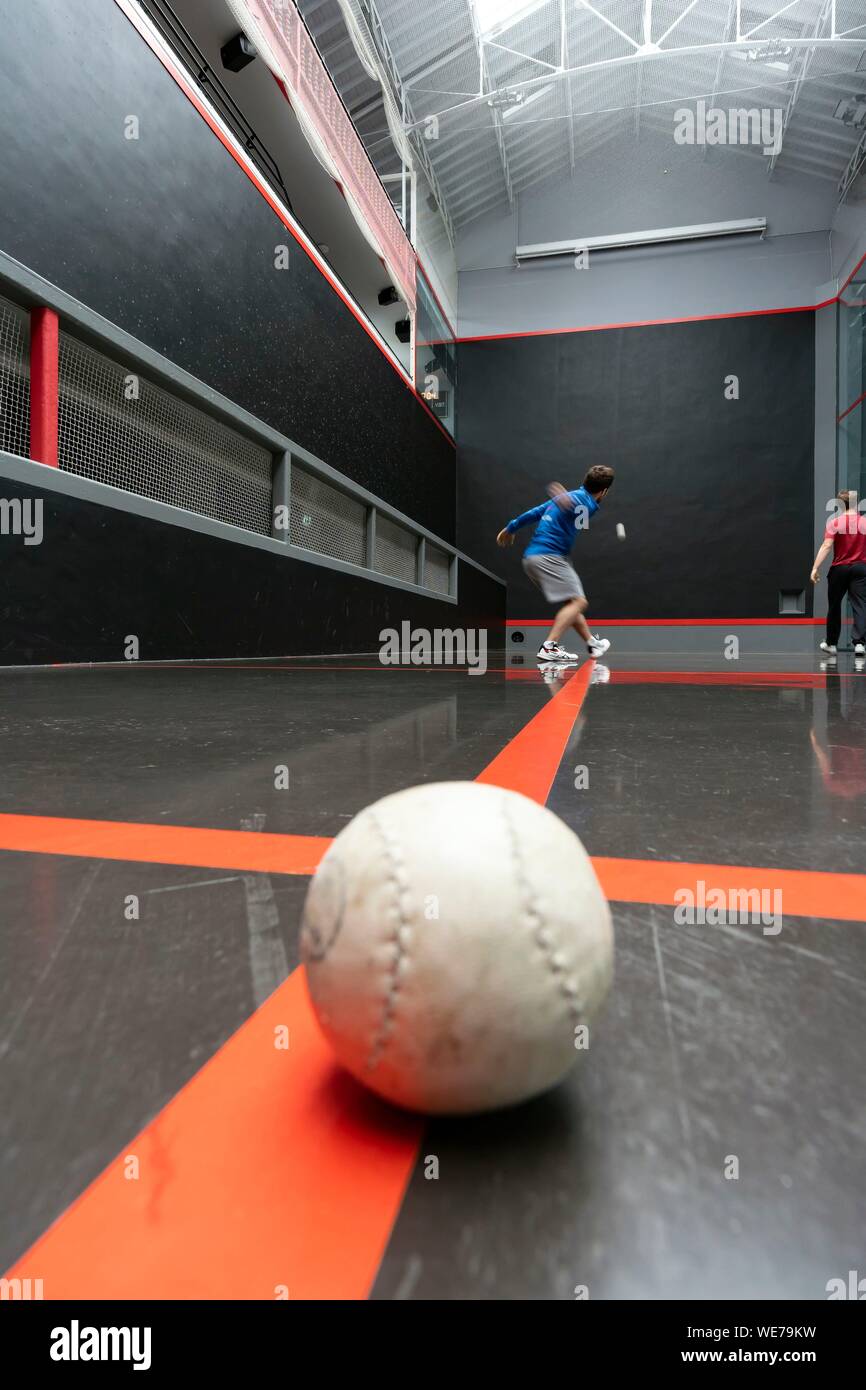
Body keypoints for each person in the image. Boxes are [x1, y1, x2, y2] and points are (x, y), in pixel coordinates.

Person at [497, 465, 614, 663]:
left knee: (572, 602)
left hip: (532, 559)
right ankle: (549, 646)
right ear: (604, 491)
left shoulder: (571, 498)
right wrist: (566, 500)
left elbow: (537, 512)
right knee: (579, 602)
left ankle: (592, 643)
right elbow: (580, 508)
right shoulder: (587, 503)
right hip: (550, 557)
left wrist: (511, 528)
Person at [811, 490, 866, 658]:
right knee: (860, 605)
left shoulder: (835, 523)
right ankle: (859, 644)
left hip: (840, 569)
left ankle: (831, 644)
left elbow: (827, 546)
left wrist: (815, 567)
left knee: (834, 605)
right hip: (861, 568)